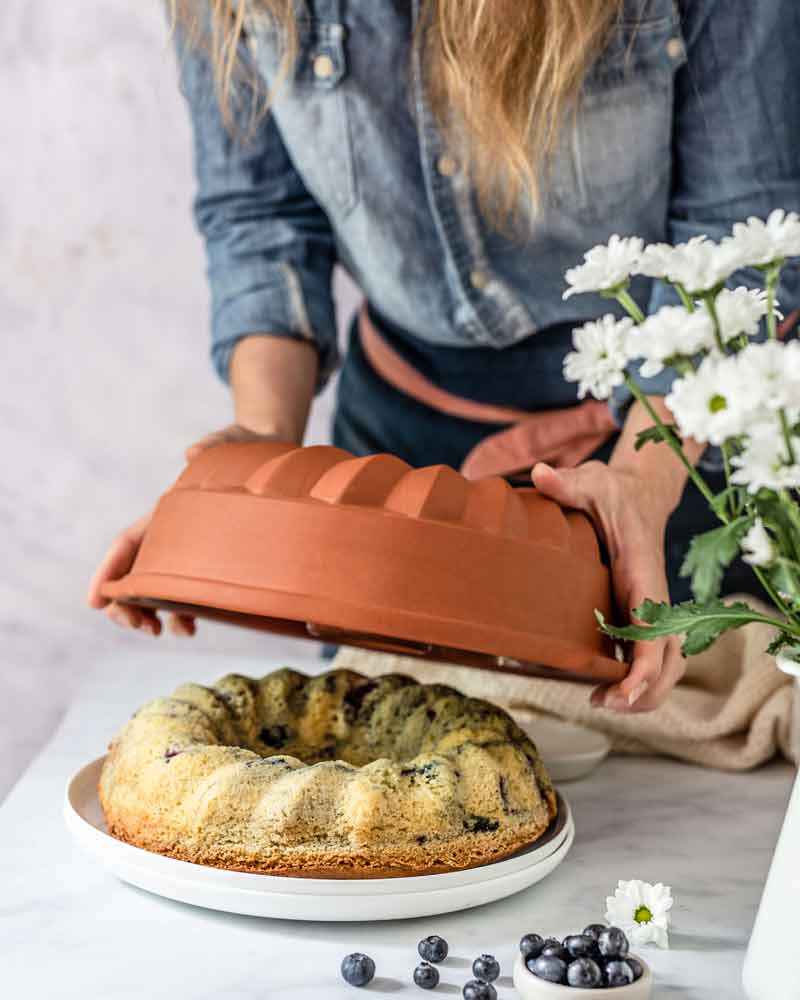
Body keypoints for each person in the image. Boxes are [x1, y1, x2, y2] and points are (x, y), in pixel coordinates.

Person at [88, 0, 800, 714]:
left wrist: (642, 486)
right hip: (388, 462)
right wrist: (261, 459)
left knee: (692, 744)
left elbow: (736, 229)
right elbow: (261, 219)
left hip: (672, 453)